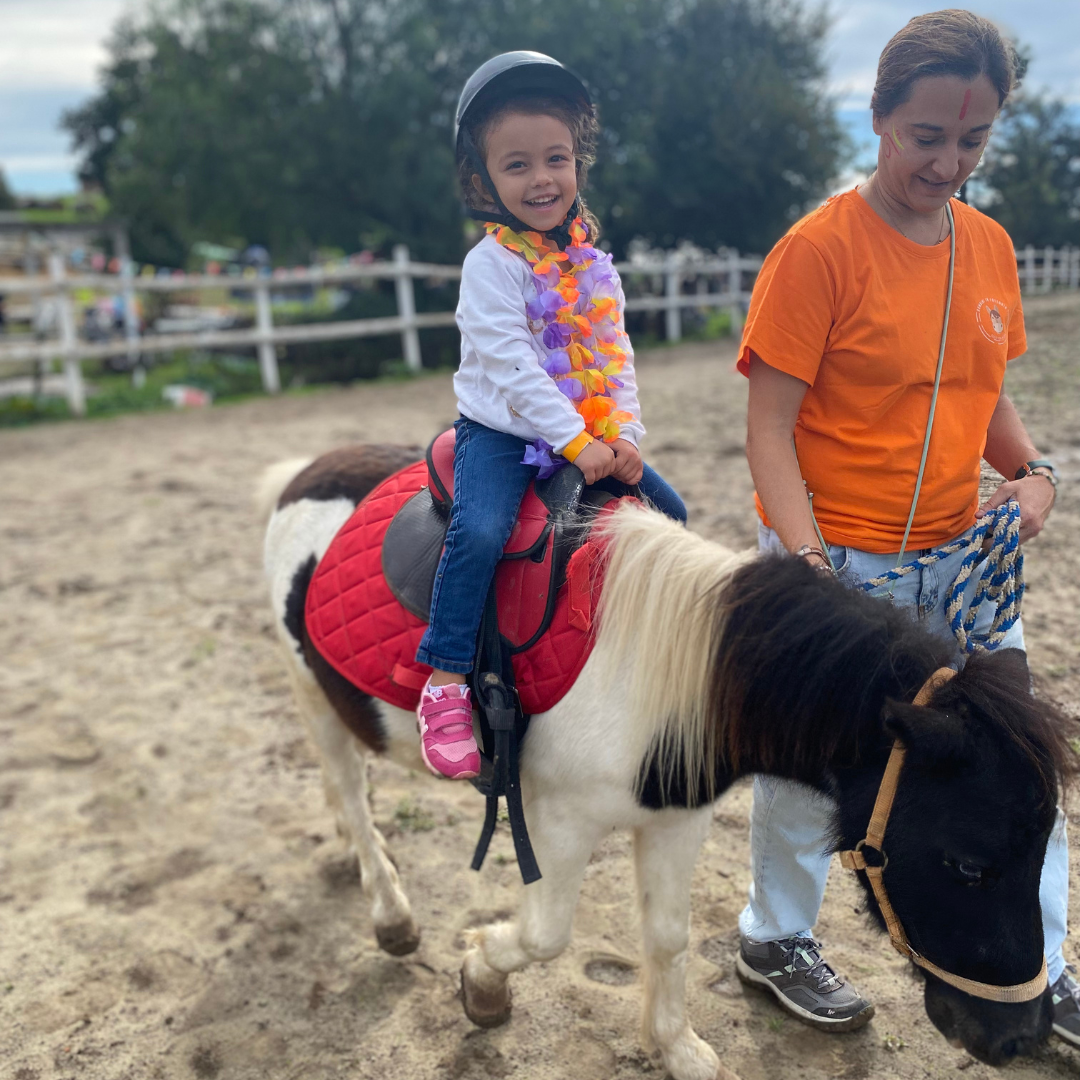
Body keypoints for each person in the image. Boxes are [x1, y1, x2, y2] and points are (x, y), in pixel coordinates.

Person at [734, 9, 1074, 1044]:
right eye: (928, 136)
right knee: (808, 775)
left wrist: (1033, 471)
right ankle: (775, 937)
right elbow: (768, 429)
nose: (950, 160)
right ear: (879, 119)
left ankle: (1043, 970)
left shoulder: (992, 247)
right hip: (835, 566)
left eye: (972, 140)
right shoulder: (818, 252)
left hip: (965, 563)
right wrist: (809, 572)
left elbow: (985, 395)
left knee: (1017, 766)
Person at [414, 52, 686, 781]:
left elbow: (615, 352)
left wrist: (625, 434)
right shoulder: (490, 267)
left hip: (591, 433)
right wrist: (572, 439)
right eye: (517, 165)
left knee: (671, 511)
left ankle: (642, 664)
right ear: (483, 180)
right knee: (479, 531)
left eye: (556, 159)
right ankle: (444, 680)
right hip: (503, 432)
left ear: (579, 163)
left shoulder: (591, 264)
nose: (541, 179)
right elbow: (511, 366)